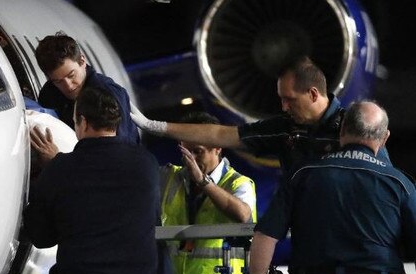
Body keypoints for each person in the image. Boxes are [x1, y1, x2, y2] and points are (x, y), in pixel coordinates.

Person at [247, 101, 416, 274]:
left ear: (342, 130)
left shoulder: (303, 174)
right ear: (384, 138)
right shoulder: (399, 183)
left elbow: (265, 237)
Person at [24, 86, 165, 274]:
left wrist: (45, 175)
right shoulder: (146, 163)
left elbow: (40, 236)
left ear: (82, 122)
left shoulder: (60, 170)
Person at [131, 56, 389, 176]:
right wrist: (155, 126)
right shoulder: (283, 129)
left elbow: (385, 185)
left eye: (289, 99)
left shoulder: (356, 128)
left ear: (312, 93)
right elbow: (221, 134)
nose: (284, 107)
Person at [161, 112, 257, 274]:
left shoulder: (239, 184)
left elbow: (242, 214)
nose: (191, 161)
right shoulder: (173, 179)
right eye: (186, 153)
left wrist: (204, 182)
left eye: (198, 152)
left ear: (218, 147)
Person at [35, 31, 140, 144]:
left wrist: (59, 159)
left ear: (82, 61)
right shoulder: (49, 95)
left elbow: (122, 149)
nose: (68, 86)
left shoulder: (108, 93)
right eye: (58, 81)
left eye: (71, 75)